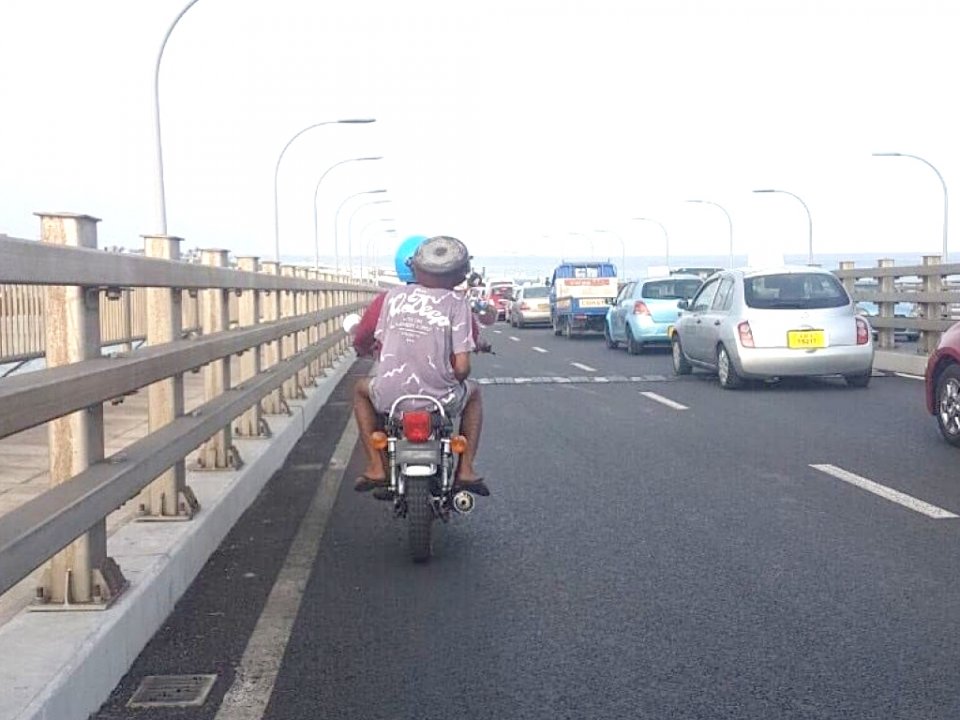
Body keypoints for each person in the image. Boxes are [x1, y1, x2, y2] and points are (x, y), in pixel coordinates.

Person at [352, 235, 489, 496]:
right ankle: (466, 469)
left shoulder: (390, 298)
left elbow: (369, 337)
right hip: (440, 398)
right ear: (460, 274)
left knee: (360, 390)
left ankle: (375, 466)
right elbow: (462, 368)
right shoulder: (458, 303)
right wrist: (452, 378)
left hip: (390, 397)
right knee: (475, 393)